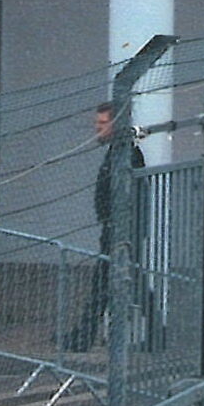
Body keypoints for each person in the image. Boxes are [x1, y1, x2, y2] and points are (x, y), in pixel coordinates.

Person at [62, 103, 145, 353]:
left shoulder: (127, 155)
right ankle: (155, 332)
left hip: (122, 230)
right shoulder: (116, 152)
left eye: (102, 124)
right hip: (114, 228)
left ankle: (84, 336)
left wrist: (122, 224)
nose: (97, 129)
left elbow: (133, 194)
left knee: (104, 283)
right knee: (126, 282)